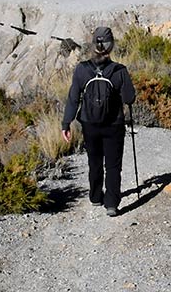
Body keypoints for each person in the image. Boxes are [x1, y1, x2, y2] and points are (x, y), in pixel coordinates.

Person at [62, 26, 136, 216]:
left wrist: (66, 123)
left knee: (94, 162)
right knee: (112, 165)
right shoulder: (119, 70)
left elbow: (73, 98)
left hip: (89, 124)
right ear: (111, 46)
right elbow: (129, 98)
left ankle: (95, 196)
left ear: (94, 45)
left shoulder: (81, 70)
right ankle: (111, 203)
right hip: (114, 125)